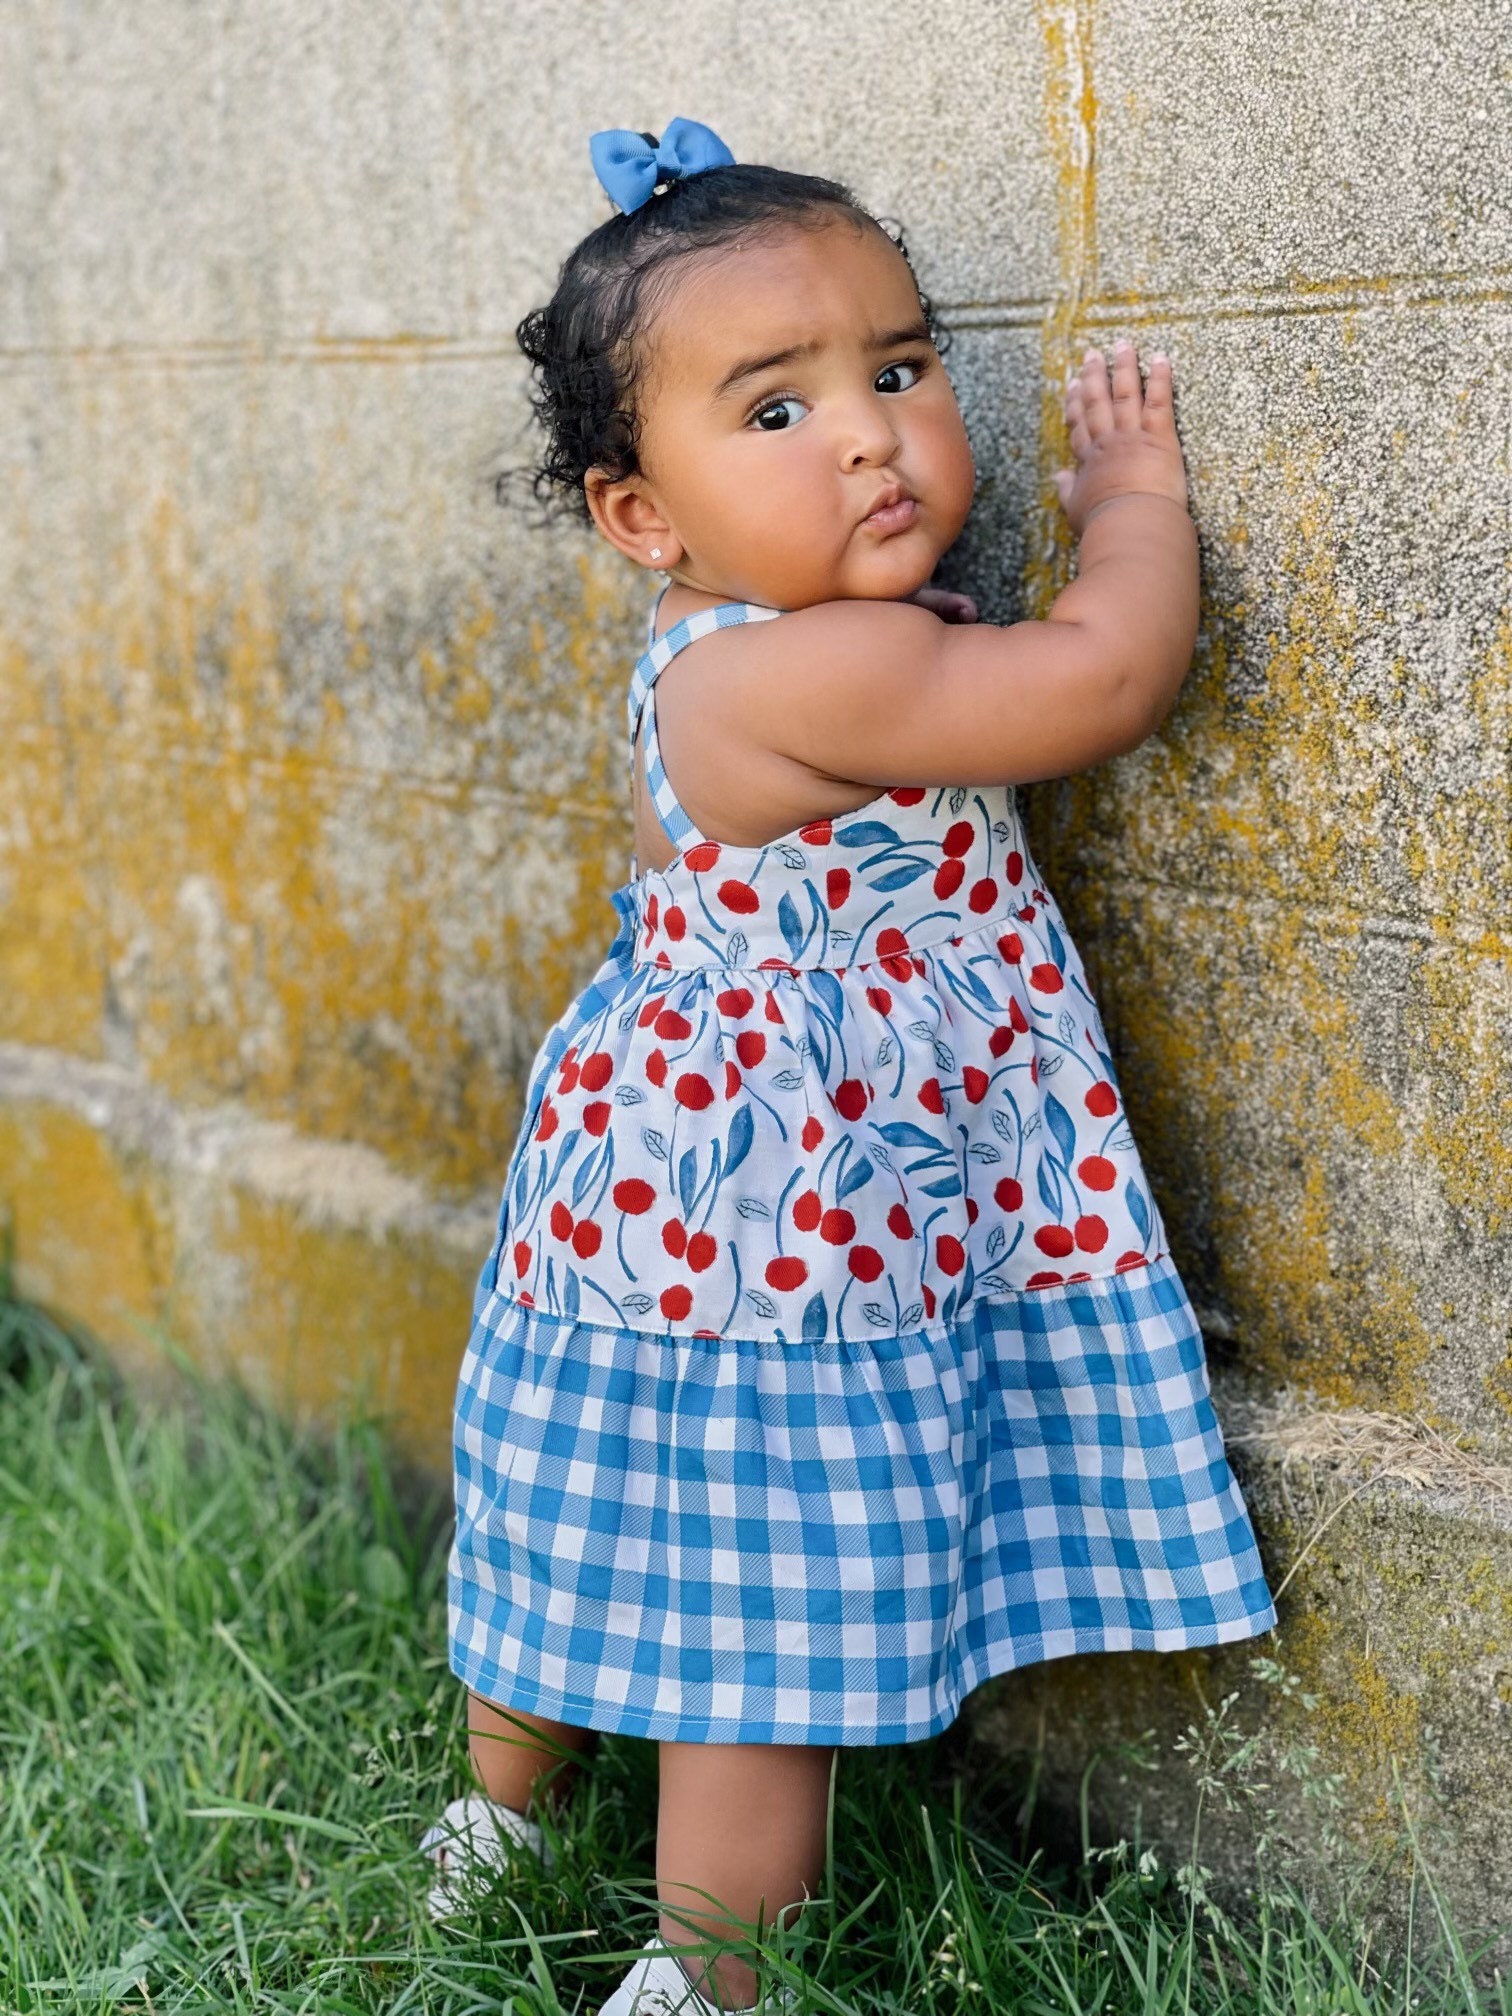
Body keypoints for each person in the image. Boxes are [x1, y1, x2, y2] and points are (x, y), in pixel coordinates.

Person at [422, 115, 1278, 2015]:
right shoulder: (811, 675)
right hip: (788, 1214)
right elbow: (1102, 683)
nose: (876, 432)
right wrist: (1134, 503)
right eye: (779, 410)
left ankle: (494, 1810)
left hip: (671, 1185)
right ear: (642, 514)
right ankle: (701, 1977)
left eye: (897, 369)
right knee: (753, 1635)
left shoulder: (742, 633)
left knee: (595, 1508)